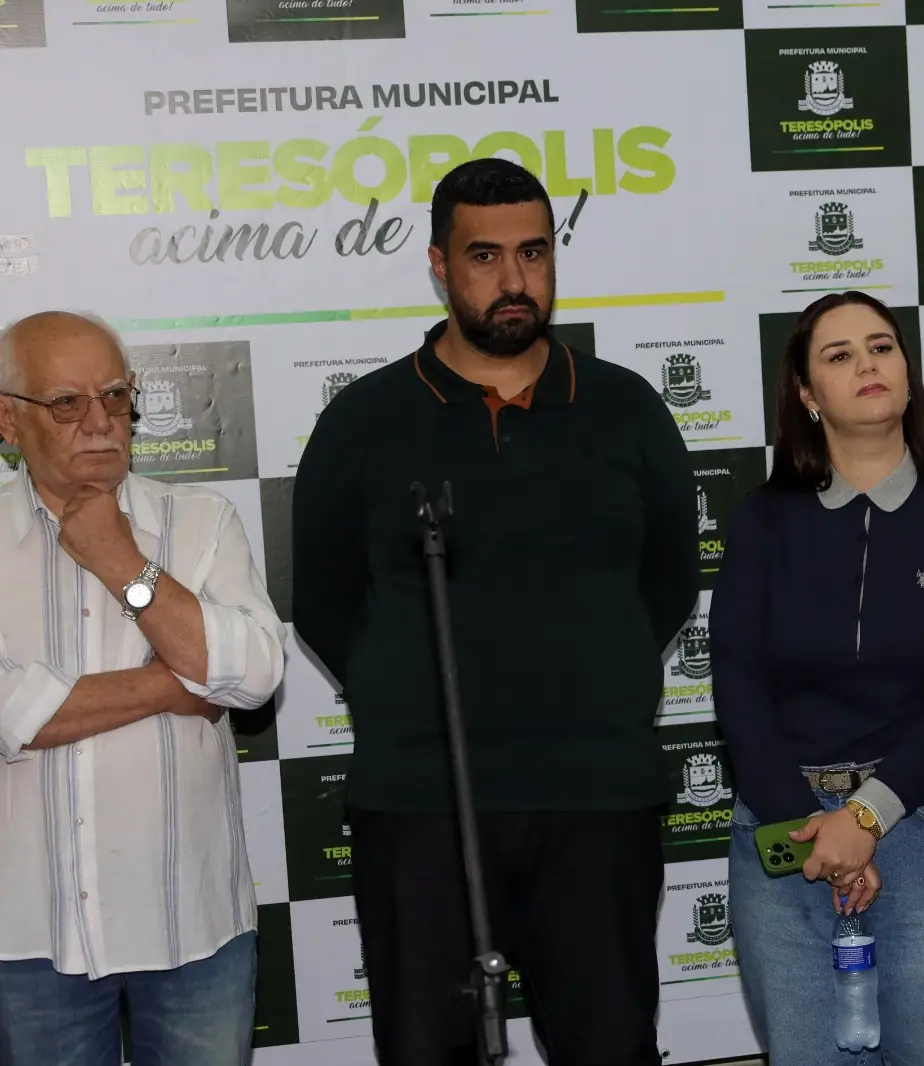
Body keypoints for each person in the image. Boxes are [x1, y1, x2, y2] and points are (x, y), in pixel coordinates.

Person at [292, 159, 698, 1066]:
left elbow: (670, 581)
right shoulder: (363, 421)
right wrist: (408, 694)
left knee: (612, 1049)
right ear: (440, 266)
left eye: (533, 252)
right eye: (485, 256)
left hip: (597, 799)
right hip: (420, 805)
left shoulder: (627, 409)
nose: (514, 280)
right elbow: (322, 599)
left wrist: (592, 680)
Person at [711, 291, 924, 1065]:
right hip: (786, 838)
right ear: (807, 395)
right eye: (839, 355)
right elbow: (738, 688)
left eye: (881, 347)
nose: (867, 365)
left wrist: (865, 819)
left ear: (908, 375)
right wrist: (816, 836)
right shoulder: (760, 523)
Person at [0, 311, 287, 1066]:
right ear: (8, 420)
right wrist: (173, 681)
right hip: (29, 937)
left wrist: (124, 564)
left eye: (115, 396)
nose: (99, 422)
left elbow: (256, 674)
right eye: (66, 403)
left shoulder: (201, 523)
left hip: (194, 927)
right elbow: (7, 714)